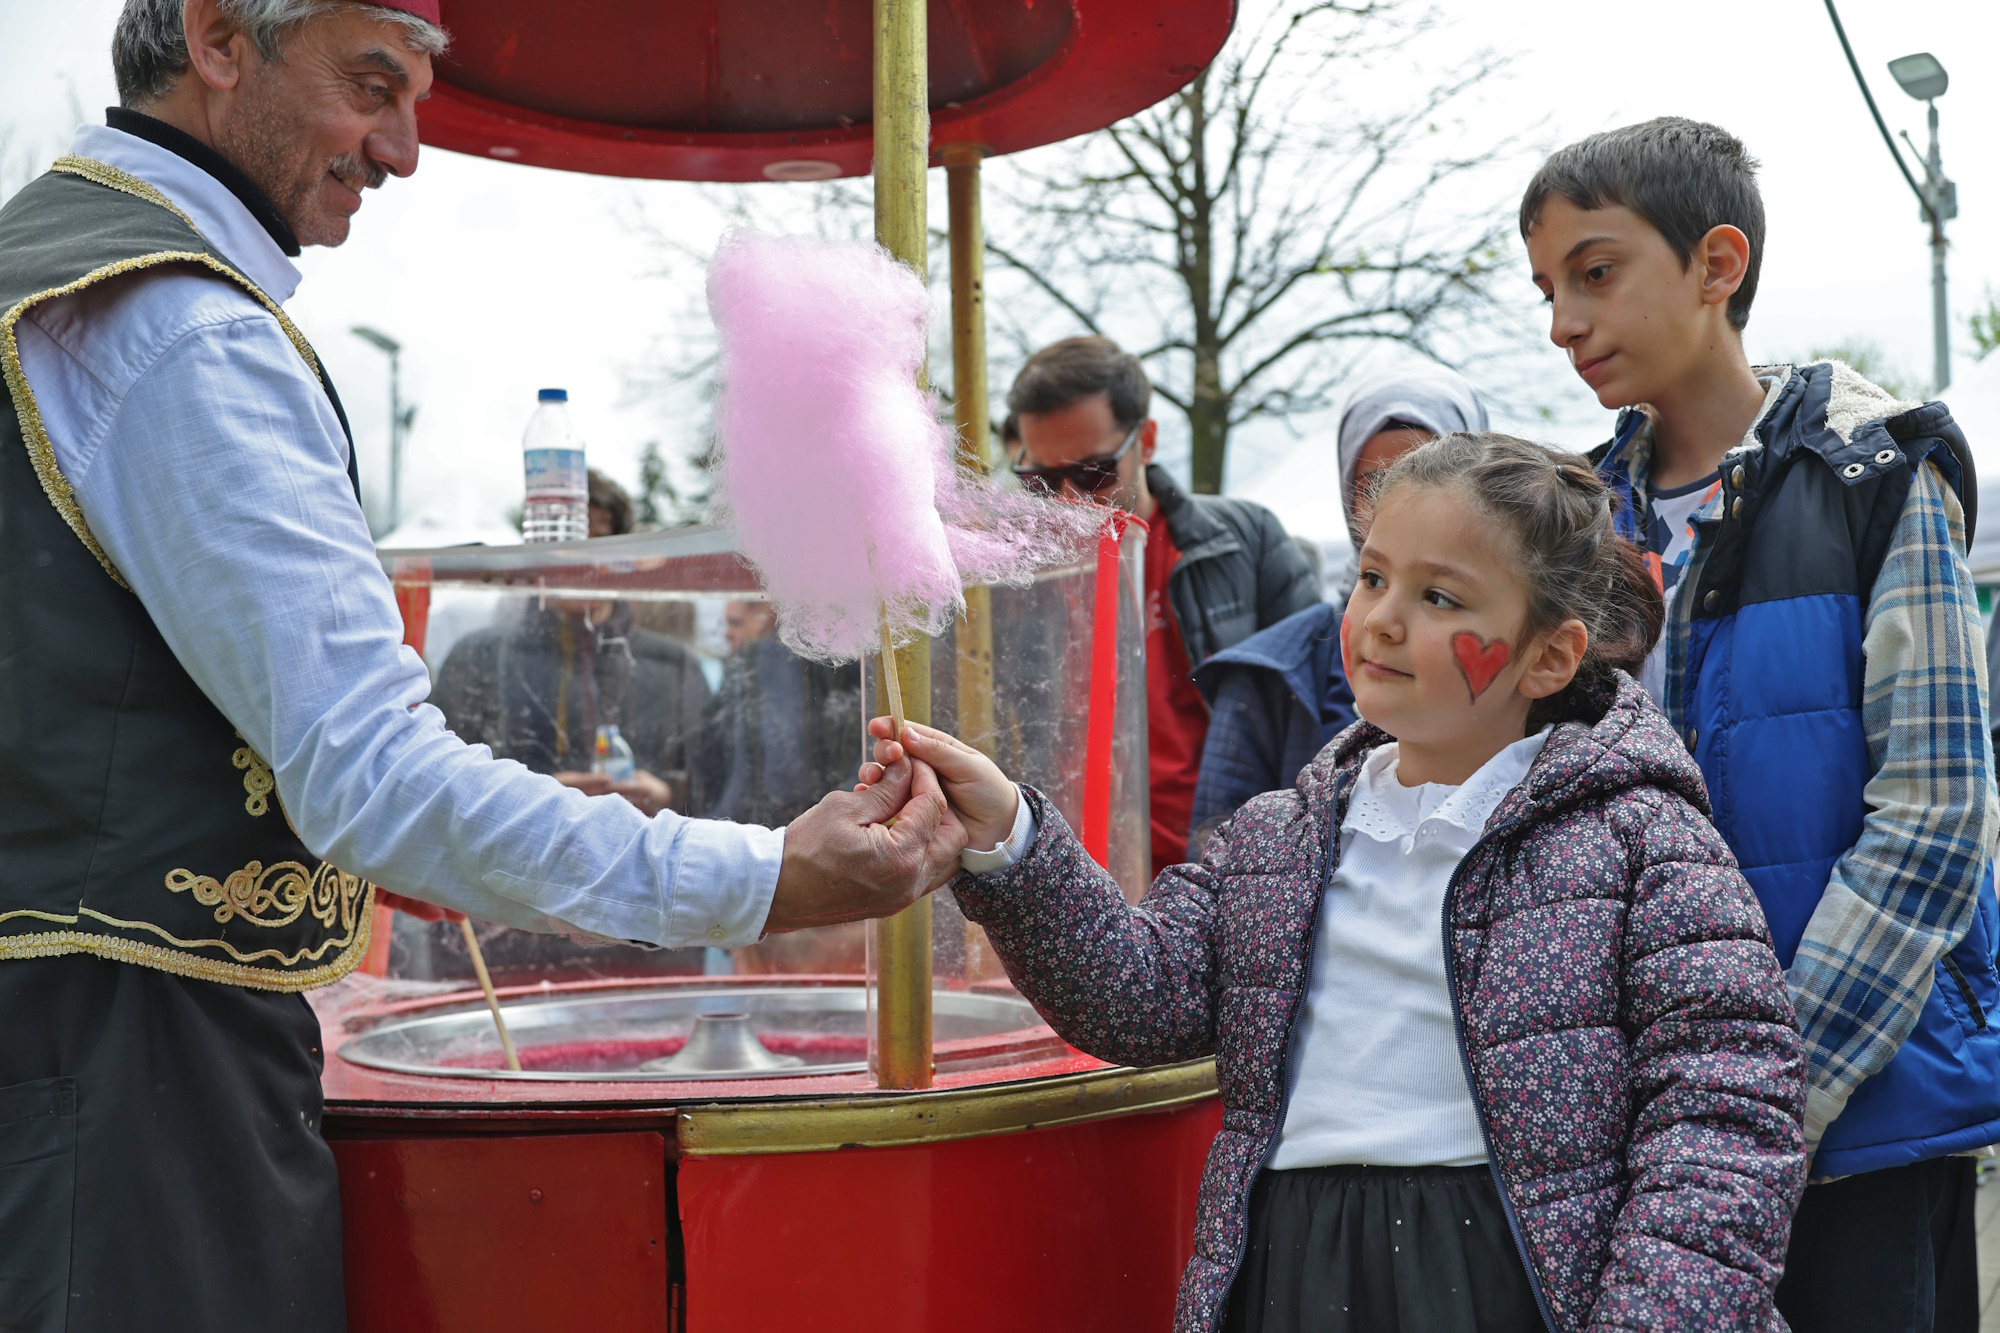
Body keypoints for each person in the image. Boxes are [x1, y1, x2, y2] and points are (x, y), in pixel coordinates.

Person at [0, 3, 961, 1329]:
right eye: (370, 86)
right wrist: (764, 877)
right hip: (136, 1091)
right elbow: (374, 775)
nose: (403, 149)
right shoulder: (185, 332)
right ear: (219, 39)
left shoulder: (39, 273)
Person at [866, 433, 1807, 1332]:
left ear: (1549, 656)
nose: (1384, 618)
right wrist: (1011, 838)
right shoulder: (1280, 838)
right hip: (1293, 1275)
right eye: (1372, 577)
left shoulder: (1643, 839)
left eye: (1440, 597)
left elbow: (1725, 1111)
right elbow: (1140, 997)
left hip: (1509, 1283)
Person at [1522, 118, 1998, 1331]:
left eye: (1593, 271)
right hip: (1640, 1143)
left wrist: (1762, 1097)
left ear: (1715, 263)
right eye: (1545, 289)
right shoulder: (1568, 524)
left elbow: (1936, 816)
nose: (1563, 322)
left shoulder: (1872, 476)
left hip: (1858, 1124)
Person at [1007, 336, 1320, 873]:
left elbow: (1316, 715)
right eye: (1041, 481)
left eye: (1092, 473)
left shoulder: (1247, 541)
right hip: (1079, 878)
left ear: (1146, 441)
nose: (1068, 502)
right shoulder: (1017, 578)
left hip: (1225, 873)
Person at [1186, 362, 1488, 854]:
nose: (1399, 507)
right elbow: (1217, 862)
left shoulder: (1522, 666)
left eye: (1432, 478)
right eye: (1376, 484)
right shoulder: (1269, 676)